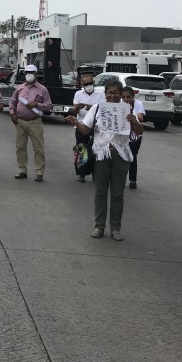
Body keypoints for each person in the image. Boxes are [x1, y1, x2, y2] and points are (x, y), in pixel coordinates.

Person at [65, 78, 143, 241]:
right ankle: (99, 226)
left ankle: (115, 228)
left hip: (120, 154)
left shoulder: (127, 109)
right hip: (101, 154)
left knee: (117, 193)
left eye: (116, 93)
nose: (113, 96)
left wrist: (134, 121)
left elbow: (139, 131)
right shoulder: (97, 108)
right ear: (105, 94)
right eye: (110, 93)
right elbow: (86, 130)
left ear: (121, 94)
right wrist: (76, 122)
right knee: (100, 192)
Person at [9, 64, 53, 182]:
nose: (29, 74)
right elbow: (12, 101)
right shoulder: (20, 88)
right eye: (27, 72)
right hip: (20, 121)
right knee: (20, 147)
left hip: (34, 121)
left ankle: (39, 172)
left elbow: (49, 106)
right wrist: (12, 113)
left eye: (31, 72)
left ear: (36, 74)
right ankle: (22, 170)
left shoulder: (42, 89)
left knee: (38, 148)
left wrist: (37, 104)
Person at [71, 73, 105, 182]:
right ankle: (81, 173)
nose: (88, 85)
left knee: (96, 150)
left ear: (93, 83)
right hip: (81, 124)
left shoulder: (100, 94)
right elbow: (75, 111)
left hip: (96, 126)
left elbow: (103, 109)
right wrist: (77, 107)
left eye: (90, 83)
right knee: (81, 148)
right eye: (86, 84)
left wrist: (90, 107)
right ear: (82, 84)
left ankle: (96, 172)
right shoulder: (78, 94)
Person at [121, 86, 146, 189]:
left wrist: (136, 118)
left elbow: (141, 118)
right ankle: (121, 179)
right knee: (122, 158)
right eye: (124, 97)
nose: (126, 99)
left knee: (132, 157)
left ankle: (132, 180)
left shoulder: (138, 104)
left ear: (133, 96)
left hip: (135, 136)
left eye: (128, 97)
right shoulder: (120, 104)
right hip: (122, 135)